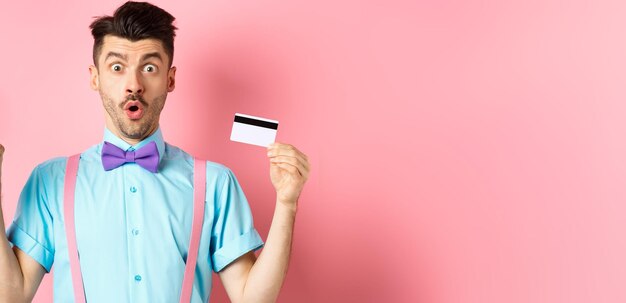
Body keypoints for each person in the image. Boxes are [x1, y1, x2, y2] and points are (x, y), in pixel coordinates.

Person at [0, 1, 310, 302]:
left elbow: (251, 298)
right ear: (96, 78)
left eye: (149, 67)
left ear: (170, 79)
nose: (133, 84)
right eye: (117, 67)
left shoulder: (215, 183)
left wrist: (287, 203)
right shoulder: (50, 181)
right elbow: (11, 295)